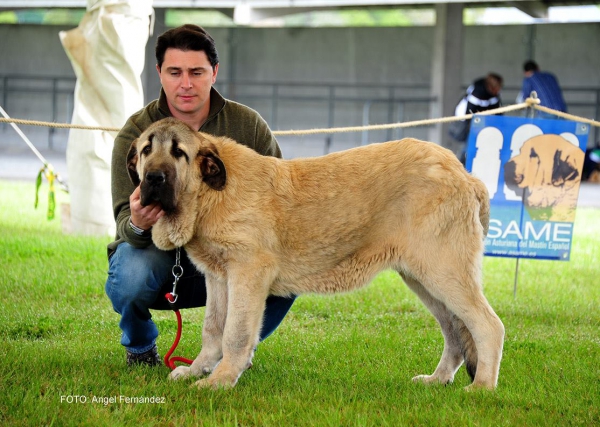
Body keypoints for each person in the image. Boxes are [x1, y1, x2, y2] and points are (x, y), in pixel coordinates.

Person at [105, 24, 296, 367]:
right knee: (129, 275)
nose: (186, 83)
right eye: (175, 72)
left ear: (214, 72)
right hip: (163, 259)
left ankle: (233, 349)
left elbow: (282, 196)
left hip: (231, 253)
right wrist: (137, 222)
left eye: (197, 72)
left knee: (286, 266)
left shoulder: (248, 126)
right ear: (160, 72)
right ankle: (140, 347)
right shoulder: (135, 134)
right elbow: (123, 222)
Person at [449, 73, 503, 164]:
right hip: (466, 119)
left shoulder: (494, 95)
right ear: (491, 87)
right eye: (497, 87)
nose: (499, 90)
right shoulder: (477, 92)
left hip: (480, 119)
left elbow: (497, 111)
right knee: (468, 141)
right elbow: (469, 113)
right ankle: (462, 162)